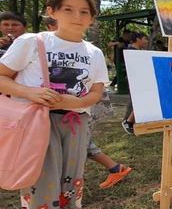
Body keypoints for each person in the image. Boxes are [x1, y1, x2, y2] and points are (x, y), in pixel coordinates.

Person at [0, 0, 110, 209]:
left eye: (84, 12)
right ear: (52, 12)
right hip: (38, 123)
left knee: (72, 183)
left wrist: (76, 102)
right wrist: (30, 92)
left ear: (92, 19)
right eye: (68, 9)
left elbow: (97, 91)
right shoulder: (32, 42)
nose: (77, 17)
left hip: (76, 123)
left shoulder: (93, 52)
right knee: (43, 186)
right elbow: (2, 78)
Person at [43, 17, 133, 188]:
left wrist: (78, 101)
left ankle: (112, 169)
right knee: (81, 142)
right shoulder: (38, 45)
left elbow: (96, 90)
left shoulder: (89, 51)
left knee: (82, 141)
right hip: (62, 112)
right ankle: (114, 168)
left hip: (81, 109)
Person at [121, 32, 148, 134]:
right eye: (145, 39)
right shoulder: (131, 52)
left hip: (138, 78)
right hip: (135, 78)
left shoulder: (137, 51)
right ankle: (128, 122)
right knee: (138, 100)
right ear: (138, 39)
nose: (146, 41)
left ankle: (131, 121)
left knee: (136, 100)